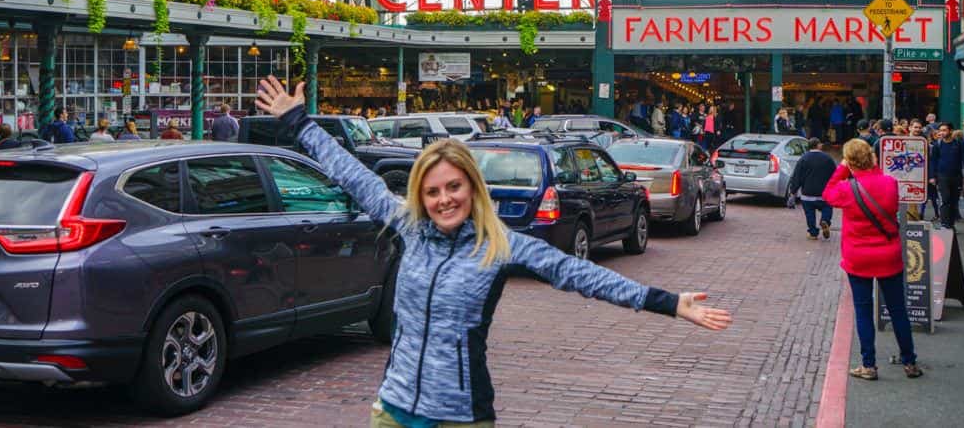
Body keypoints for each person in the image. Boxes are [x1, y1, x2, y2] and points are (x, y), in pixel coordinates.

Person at [254, 75, 732, 427]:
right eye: (433, 190)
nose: (444, 199)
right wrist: (299, 123)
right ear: (421, 193)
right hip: (394, 410)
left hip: (460, 416)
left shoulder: (501, 247)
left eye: (454, 187)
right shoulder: (407, 225)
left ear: (473, 188)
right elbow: (352, 174)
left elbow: (583, 276)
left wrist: (668, 303)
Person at [823, 138, 922, 381]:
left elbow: (828, 194)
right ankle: (909, 362)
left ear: (850, 161)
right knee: (898, 310)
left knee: (864, 310)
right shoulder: (889, 183)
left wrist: (843, 169)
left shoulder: (847, 189)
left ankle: (869, 365)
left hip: (859, 257)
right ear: (871, 156)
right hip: (888, 255)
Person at [787, 138, 837, 240]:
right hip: (824, 193)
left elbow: (797, 176)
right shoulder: (827, 158)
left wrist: (793, 192)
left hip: (807, 194)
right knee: (827, 208)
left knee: (810, 214)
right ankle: (825, 221)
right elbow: (835, 175)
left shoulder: (803, 159)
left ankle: (813, 233)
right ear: (819, 145)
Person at [928, 122, 964, 229]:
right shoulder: (937, 145)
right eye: (940, 130)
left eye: (944, 130)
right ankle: (944, 224)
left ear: (951, 131)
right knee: (945, 199)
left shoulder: (959, 144)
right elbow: (933, 161)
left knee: (954, 201)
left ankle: (951, 224)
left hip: (956, 176)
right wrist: (932, 176)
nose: (942, 133)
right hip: (942, 176)